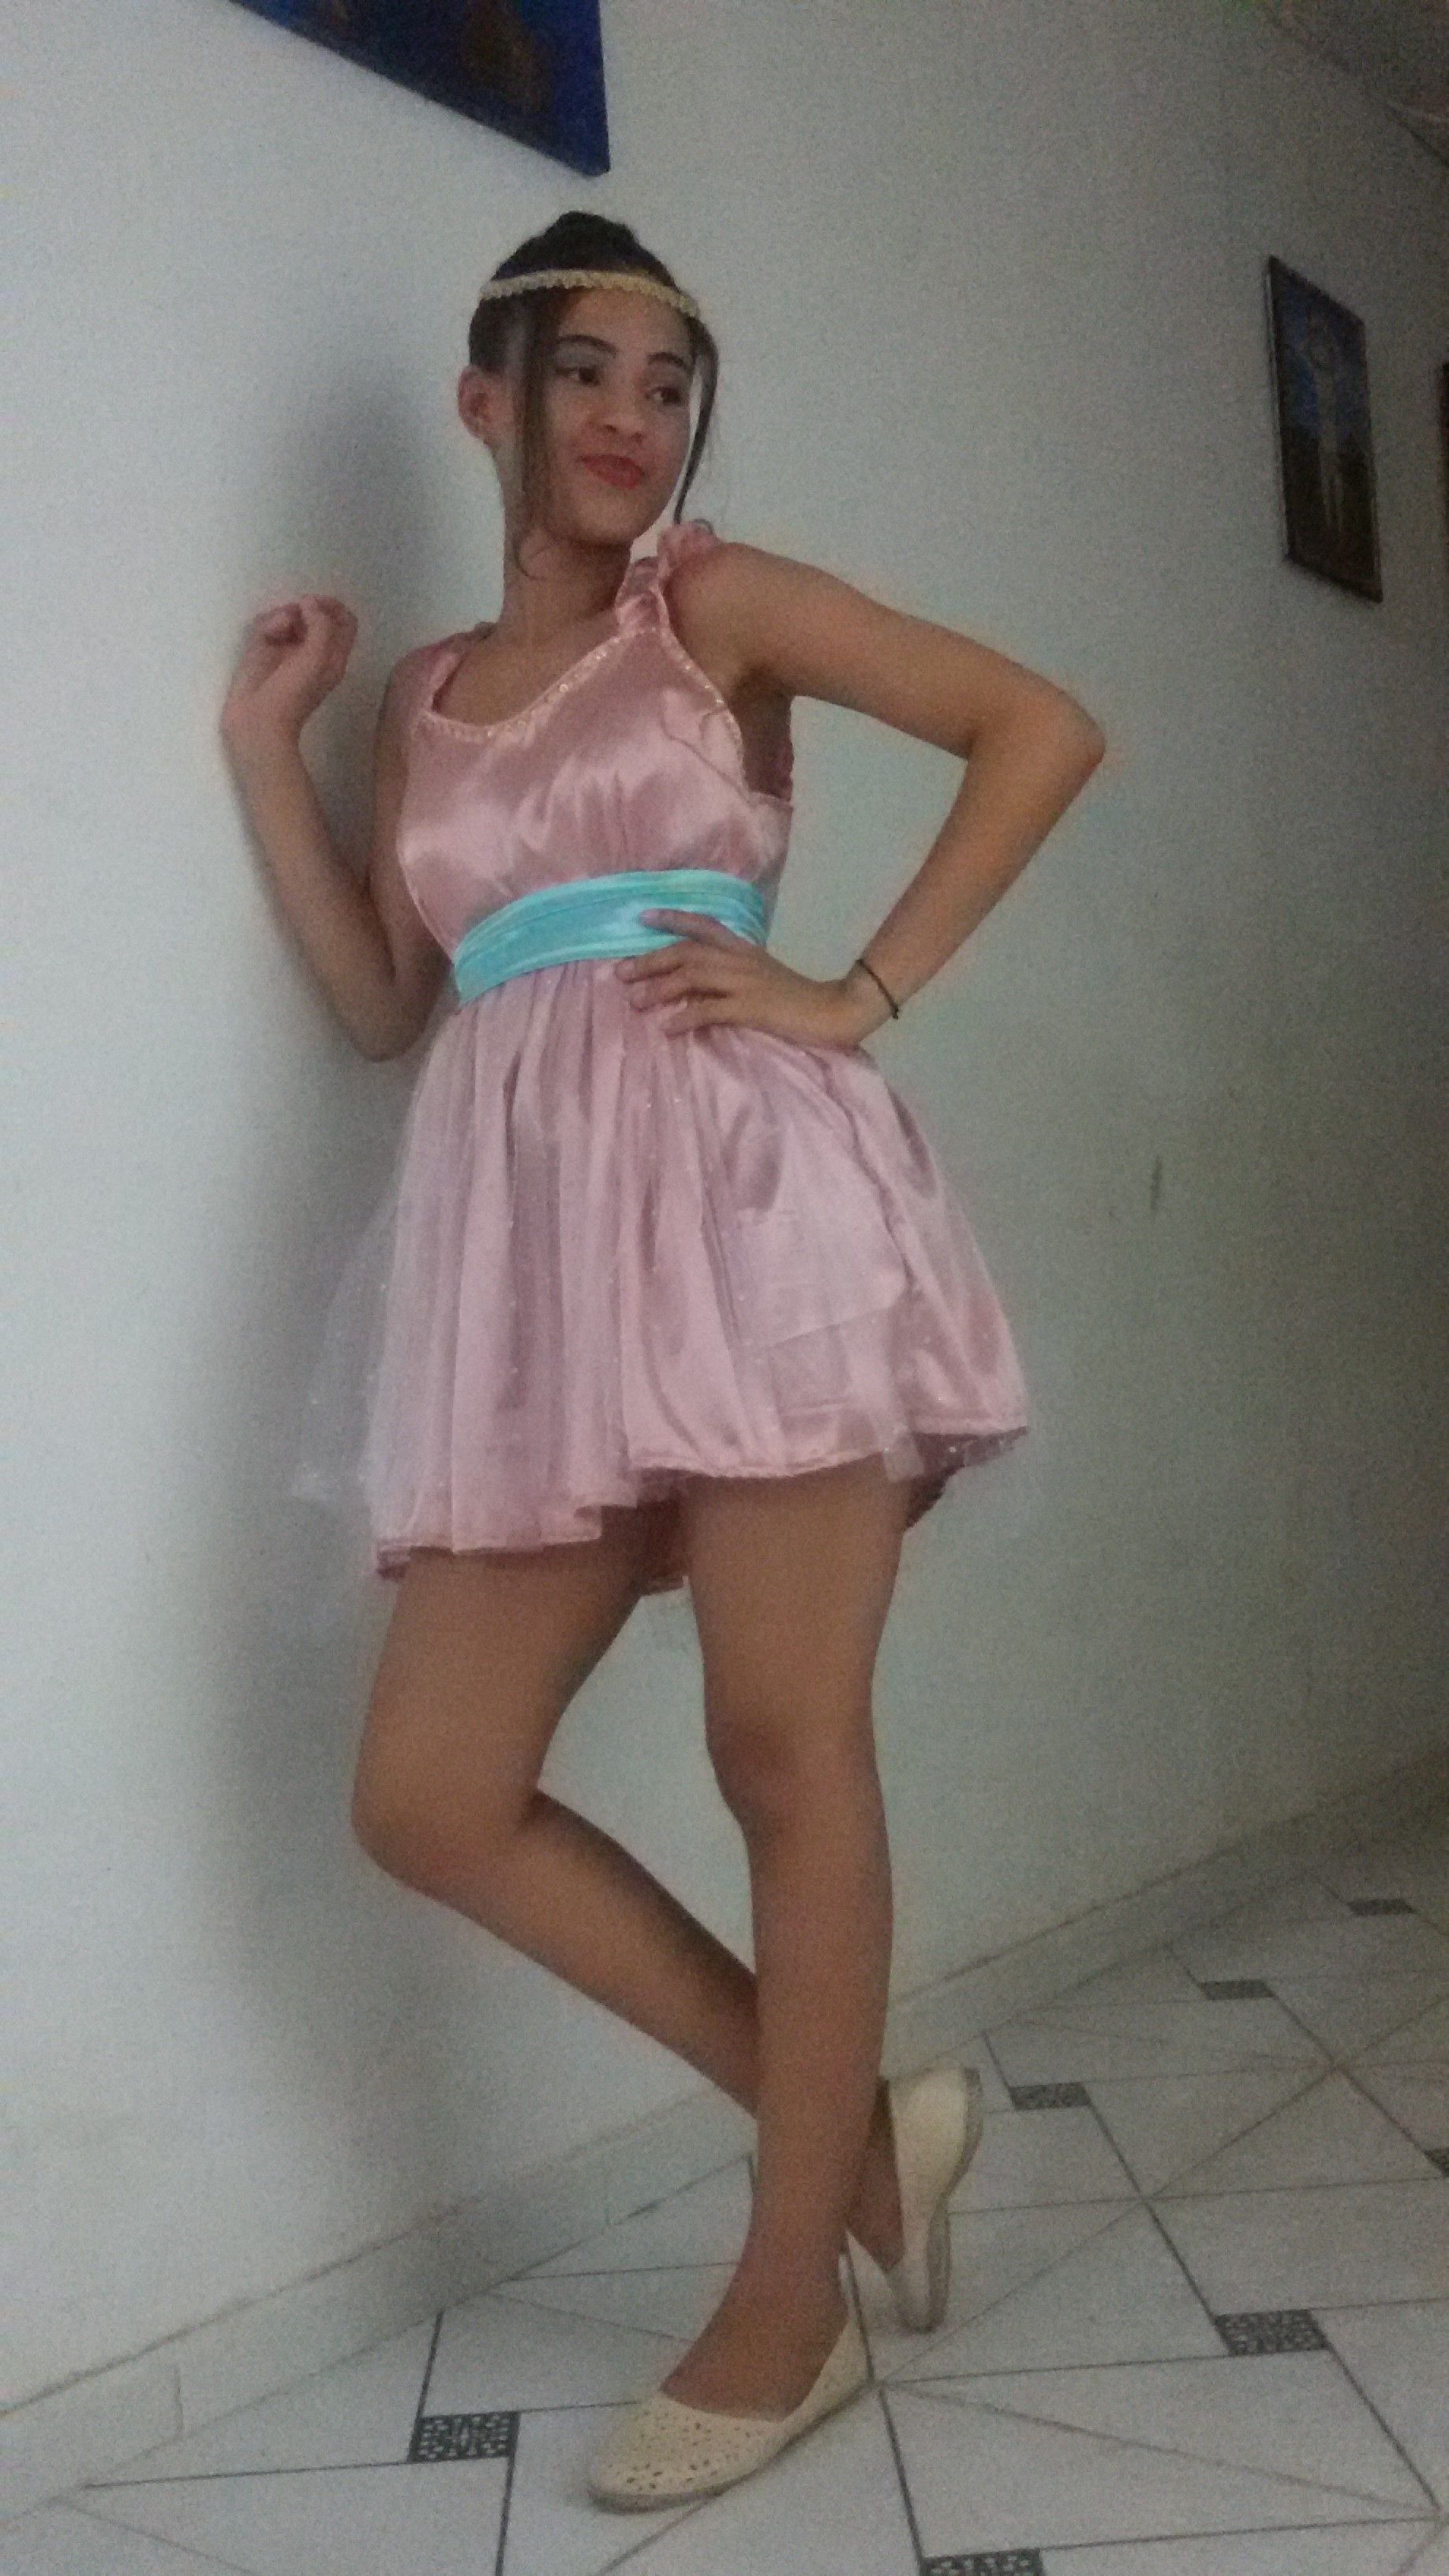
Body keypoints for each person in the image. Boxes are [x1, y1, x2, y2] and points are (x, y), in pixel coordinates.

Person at [219, 208, 1104, 2510]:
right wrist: (264, 747)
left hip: (751, 1217)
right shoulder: (422, 696)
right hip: (532, 1280)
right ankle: (860, 2145)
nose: (631, 417)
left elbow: (1038, 726)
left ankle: (785, 2299)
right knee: (430, 1791)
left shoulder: (710, 608)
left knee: (779, 1748)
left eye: (667, 380)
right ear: (485, 400)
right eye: (585, 371)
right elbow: (388, 1003)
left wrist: (851, 993)